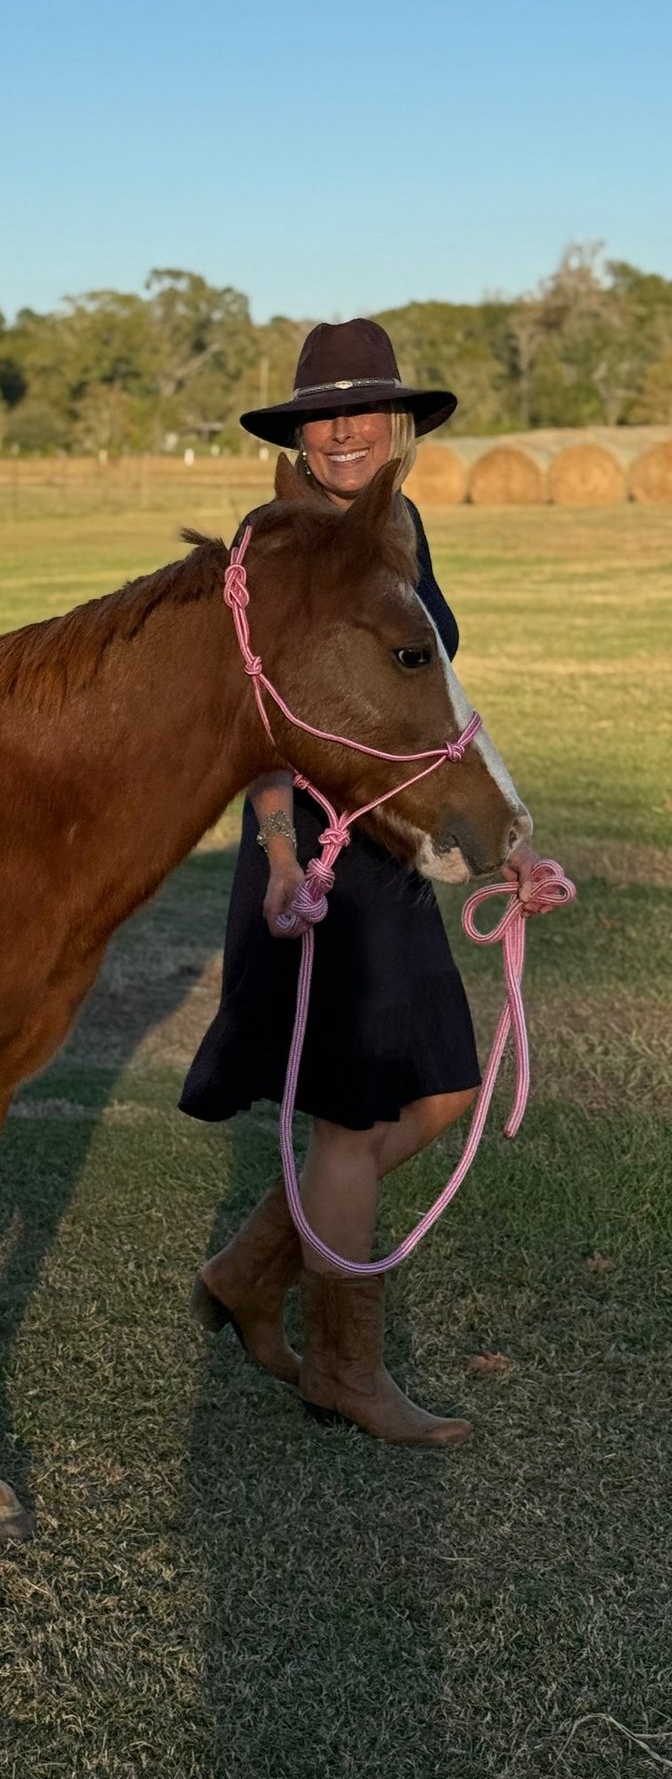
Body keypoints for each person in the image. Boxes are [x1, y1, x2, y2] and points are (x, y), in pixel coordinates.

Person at [180, 318, 543, 1446]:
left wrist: (510, 837)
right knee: (353, 1125)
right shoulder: (279, 542)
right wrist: (282, 858)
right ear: (296, 436)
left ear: (397, 426)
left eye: (362, 413)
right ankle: (345, 1369)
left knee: (440, 1094)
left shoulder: (397, 524)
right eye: (322, 418)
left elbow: (434, 699)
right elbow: (254, 717)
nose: (343, 434)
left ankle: (251, 1270)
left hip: (396, 843)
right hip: (318, 861)